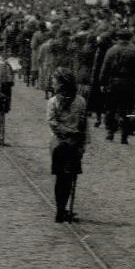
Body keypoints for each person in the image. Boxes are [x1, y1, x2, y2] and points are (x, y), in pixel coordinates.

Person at [46, 69, 88, 223]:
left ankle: (60, 210)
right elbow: (83, 126)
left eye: (54, 80)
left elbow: (52, 123)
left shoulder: (53, 102)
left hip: (59, 143)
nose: (52, 83)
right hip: (73, 143)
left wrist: (66, 133)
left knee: (61, 177)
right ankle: (62, 209)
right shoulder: (81, 101)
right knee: (69, 178)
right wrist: (81, 142)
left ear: (61, 83)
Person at [0, 46, 16, 146]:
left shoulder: (5, 63)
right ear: (1, 53)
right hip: (2, 89)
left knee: (3, 113)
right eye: (6, 52)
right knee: (0, 113)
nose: (8, 54)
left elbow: (10, 77)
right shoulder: (0, 64)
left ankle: (1, 138)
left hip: (6, 88)